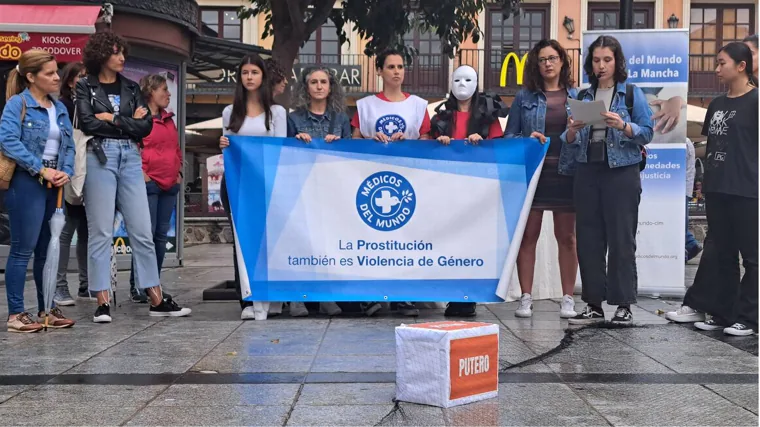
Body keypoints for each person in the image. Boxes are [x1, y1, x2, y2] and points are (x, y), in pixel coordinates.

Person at [76, 32, 191, 323]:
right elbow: (88, 121)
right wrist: (127, 123)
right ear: (102, 54)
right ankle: (102, 301)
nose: (122, 57)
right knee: (101, 231)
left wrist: (112, 119)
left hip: (130, 156)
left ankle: (156, 297)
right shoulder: (85, 86)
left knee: (142, 230)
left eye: (123, 52)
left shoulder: (130, 87)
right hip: (99, 155)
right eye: (116, 52)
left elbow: (144, 127)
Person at [665, 42, 757, 336]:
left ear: (741, 66)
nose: (716, 69)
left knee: (752, 256)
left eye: (722, 63)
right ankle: (723, 312)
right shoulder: (716, 105)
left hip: (748, 189)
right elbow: (711, 147)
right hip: (717, 189)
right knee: (722, 254)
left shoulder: (756, 102)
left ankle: (750, 318)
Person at [563, 35, 654, 325]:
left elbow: (647, 132)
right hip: (588, 169)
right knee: (588, 238)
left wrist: (624, 125)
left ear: (617, 62)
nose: (601, 65)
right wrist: (573, 131)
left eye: (607, 59)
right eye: (596, 60)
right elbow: (568, 141)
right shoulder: (581, 96)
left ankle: (623, 304)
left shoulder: (630, 93)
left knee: (621, 239)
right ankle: (593, 303)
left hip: (621, 171)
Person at [351, 49, 431, 317]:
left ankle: (404, 297)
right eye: (391, 66)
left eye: (400, 66)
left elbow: (427, 141)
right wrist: (369, 140)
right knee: (371, 240)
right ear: (379, 71)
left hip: (408, 181)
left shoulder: (419, 105)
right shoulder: (365, 106)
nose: (397, 71)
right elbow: (352, 142)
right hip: (370, 179)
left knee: (405, 239)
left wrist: (407, 142)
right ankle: (370, 295)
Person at [502, 39, 579, 320]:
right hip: (533, 174)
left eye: (552, 58)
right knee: (527, 237)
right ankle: (525, 297)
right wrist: (527, 139)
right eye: (542, 59)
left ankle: (568, 298)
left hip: (567, 173)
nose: (547, 63)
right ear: (537, 64)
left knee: (567, 238)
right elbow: (508, 136)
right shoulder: (525, 97)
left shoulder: (577, 95)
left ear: (562, 61)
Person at [1, 49, 76, 332]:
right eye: (50, 73)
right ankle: (16, 314)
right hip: (27, 182)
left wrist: (65, 171)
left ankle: (46, 309)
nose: (57, 77)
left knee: (48, 249)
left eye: (57, 71)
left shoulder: (59, 108)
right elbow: (8, 140)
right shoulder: (17, 104)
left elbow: (68, 145)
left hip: (53, 185)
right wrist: (41, 169)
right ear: (31, 77)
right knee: (23, 249)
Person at [430, 65, 505, 317]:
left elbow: (498, 147)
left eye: (468, 79)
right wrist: (438, 141)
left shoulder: (488, 117)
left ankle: (468, 297)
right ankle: (452, 296)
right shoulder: (440, 117)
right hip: (446, 191)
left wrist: (481, 144)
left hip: (477, 192)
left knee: (471, 244)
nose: (462, 84)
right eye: (457, 79)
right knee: (448, 243)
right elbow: (425, 148)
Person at [219, 53, 287, 321]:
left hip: (266, 185)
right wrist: (223, 145)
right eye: (245, 72)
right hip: (237, 184)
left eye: (254, 72)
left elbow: (279, 150)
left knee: (268, 241)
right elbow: (229, 147)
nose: (249, 77)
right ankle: (246, 298)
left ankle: (272, 296)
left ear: (263, 77)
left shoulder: (277, 113)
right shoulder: (229, 112)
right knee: (241, 241)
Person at [128, 74, 182, 303]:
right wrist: (142, 174)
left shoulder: (169, 119)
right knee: (145, 236)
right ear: (150, 92)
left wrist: (179, 173)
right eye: (163, 90)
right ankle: (139, 286)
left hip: (170, 185)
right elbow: (132, 145)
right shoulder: (140, 118)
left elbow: (176, 148)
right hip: (149, 184)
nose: (168, 94)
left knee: (160, 237)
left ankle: (154, 284)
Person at [54, 61, 89, 305]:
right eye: (81, 77)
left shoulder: (89, 104)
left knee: (87, 233)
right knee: (66, 232)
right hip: (69, 174)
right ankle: (59, 286)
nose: (86, 81)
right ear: (70, 81)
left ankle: (87, 285)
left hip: (88, 174)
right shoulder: (65, 107)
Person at [684, 137, 702, 262]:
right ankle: (691, 243)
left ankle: (690, 245)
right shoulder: (687, 142)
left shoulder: (682, 142)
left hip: (680, 190)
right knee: (680, 222)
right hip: (685, 189)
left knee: (677, 223)